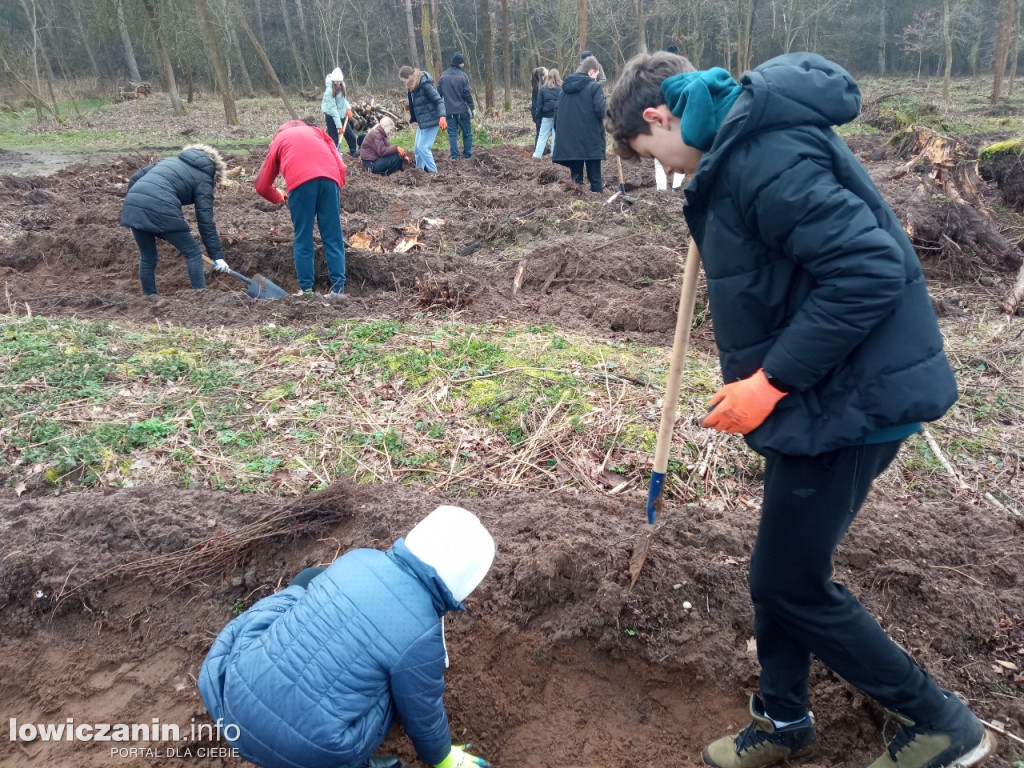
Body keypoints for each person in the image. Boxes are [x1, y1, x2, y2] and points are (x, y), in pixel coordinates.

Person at [606, 50, 996, 768]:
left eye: (650, 153)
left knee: (787, 581)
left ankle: (942, 724)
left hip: (852, 397)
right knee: (780, 570)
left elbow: (868, 269)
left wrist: (770, 382)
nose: (666, 171)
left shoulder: (761, 155)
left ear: (658, 116)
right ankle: (783, 717)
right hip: (823, 398)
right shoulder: (735, 153)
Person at [198, 505, 495, 768]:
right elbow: (423, 712)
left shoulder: (360, 559)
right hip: (306, 756)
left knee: (305, 585)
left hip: (231, 699)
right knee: (398, 690)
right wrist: (443, 758)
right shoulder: (423, 637)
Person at [120, 143, 230, 295]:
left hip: (133, 205)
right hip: (160, 206)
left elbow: (135, 178)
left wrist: (139, 202)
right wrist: (217, 257)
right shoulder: (205, 178)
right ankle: (201, 296)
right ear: (216, 170)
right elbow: (205, 220)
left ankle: (150, 297)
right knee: (193, 253)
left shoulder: (170, 161)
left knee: (148, 257)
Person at [254, 121, 348, 297]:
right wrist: (335, 190)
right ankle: (338, 290)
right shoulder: (318, 132)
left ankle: (306, 291)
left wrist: (277, 196)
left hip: (301, 184)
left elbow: (261, 185)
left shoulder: (279, 140)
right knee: (333, 236)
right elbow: (342, 166)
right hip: (330, 181)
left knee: (303, 237)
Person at [552, 56, 606, 193]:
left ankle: (578, 208)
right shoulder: (595, 87)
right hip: (591, 140)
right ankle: (598, 207)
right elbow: (601, 110)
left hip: (570, 141)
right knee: (595, 178)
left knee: (576, 180)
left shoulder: (564, 90)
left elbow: (557, 115)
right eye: (597, 74)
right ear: (592, 71)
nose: (597, 77)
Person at [399, 65, 447, 173]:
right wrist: (409, 108)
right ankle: (419, 172)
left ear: (410, 76)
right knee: (417, 149)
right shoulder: (413, 86)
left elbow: (439, 100)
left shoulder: (424, 84)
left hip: (432, 120)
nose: (404, 83)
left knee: (423, 148)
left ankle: (434, 173)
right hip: (423, 122)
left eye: (404, 81)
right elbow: (420, 102)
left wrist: (442, 116)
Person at [438, 52, 475, 160]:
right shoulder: (463, 76)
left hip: (448, 111)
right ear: (460, 63)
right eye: (463, 63)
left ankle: (455, 156)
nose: (463, 65)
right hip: (462, 111)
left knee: (452, 135)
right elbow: (467, 94)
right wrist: (472, 108)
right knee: (467, 133)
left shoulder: (443, 76)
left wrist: (440, 110)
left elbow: (438, 94)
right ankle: (467, 155)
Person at [322, 67, 360, 158]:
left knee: (351, 137)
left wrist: (348, 108)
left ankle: (353, 154)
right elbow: (333, 110)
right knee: (334, 140)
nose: (338, 83)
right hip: (331, 116)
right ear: (332, 80)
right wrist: (339, 126)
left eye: (339, 81)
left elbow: (344, 100)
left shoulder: (342, 85)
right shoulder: (329, 91)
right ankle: (335, 157)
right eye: (336, 81)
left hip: (342, 114)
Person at [532, 68, 561, 159]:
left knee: (542, 136)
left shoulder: (543, 89)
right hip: (558, 116)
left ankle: (537, 155)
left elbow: (539, 106)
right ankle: (554, 154)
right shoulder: (561, 88)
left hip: (546, 116)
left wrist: (537, 118)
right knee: (556, 135)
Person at [530, 67, 548, 148]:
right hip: (539, 114)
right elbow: (538, 104)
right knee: (540, 134)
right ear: (543, 76)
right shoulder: (539, 89)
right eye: (546, 71)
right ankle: (538, 152)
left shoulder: (536, 87)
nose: (548, 71)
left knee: (540, 133)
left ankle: (539, 151)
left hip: (537, 113)